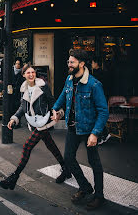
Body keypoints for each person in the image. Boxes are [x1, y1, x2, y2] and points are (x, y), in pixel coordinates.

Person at [0, 63, 71, 190]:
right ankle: (66, 168)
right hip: (34, 121)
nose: (31, 74)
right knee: (50, 144)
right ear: (24, 75)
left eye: (33, 72)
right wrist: (14, 118)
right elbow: (23, 106)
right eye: (28, 73)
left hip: (44, 121)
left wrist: (57, 113)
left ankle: (14, 177)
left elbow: (52, 101)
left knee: (27, 146)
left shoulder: (43, 86)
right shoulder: (23, 88)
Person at [52, 49, 109, 211]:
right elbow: (63, 96)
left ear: (82, 64)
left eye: (72, 62)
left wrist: (95, 133)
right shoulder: (69, 80)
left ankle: (99, 196)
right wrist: (55, 109)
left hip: (89, 130)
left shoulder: (94, 84)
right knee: (68, 158)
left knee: (94, 163)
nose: (69, 64)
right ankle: (84, 187)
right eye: (69, 62)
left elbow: (103, 111)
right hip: (72, 127)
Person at [91, 57, 111, 145]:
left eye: (92, 63)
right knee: (98, 116)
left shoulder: (95, 74)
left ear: (96, 63)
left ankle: (102, 135)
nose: (91, 65)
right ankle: (104, 135)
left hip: (97, 97)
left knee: (96, 116)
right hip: (103, 96)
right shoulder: (104, 73)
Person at [12, 58, 24, 128]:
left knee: (18, 107)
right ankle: (13, 121)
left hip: (19, 92)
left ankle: (17, 123)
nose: (17, 65)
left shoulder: (22, 73)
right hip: (12, 92)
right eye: (16, 63)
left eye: (19, 64)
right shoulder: (11, 71)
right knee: (12, 107)